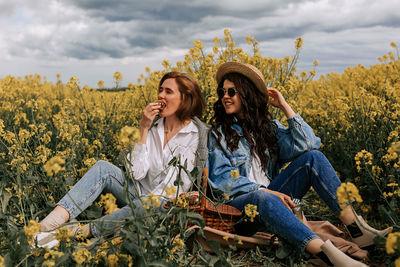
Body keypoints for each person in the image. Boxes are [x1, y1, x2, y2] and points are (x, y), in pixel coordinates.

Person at [207, 62, 391, 267]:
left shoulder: (268, 129)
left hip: (272, 198)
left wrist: (285, 107)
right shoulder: (218, 134)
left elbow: (307, 144)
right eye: (221, 91)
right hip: (238, 211)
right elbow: (222, 181)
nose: (225, 96)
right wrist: (265, 192)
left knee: (314, 157)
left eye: (231, 91)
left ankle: (357, 230)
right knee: (261, 196)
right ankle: (326, 255)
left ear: (247, 93)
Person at [36, 71, 209, 247]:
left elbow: (173, 189)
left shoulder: (196, 135)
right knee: (102, 168)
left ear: (185, 99)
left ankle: (79, 232)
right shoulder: (153, 127)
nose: (160, 95)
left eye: (168, 92)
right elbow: (136, 173)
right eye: (160, 90)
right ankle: (46, 226)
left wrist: (137, 206)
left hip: (165, 206)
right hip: (136, 195)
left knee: (150, 202)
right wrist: (143, 127)